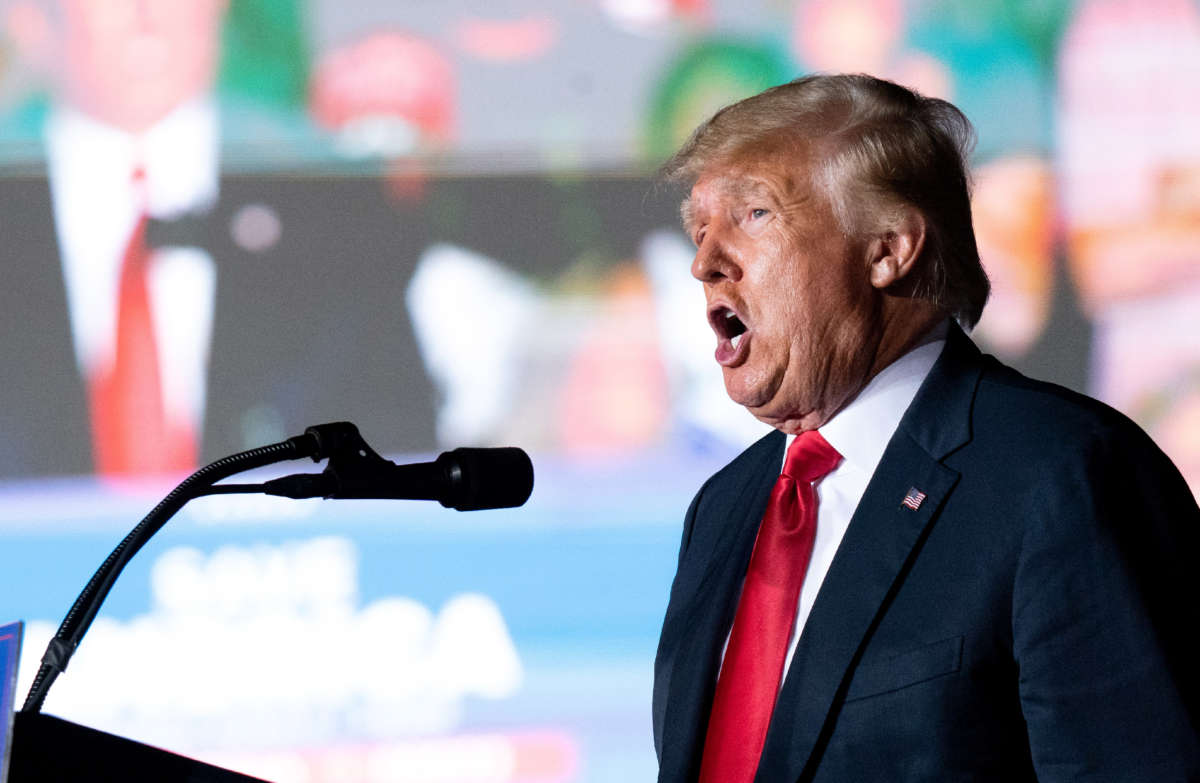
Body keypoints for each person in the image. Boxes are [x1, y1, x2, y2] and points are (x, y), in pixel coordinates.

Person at [652, 74, 1200, 782]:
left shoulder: (1063, 476)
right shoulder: (725, 507)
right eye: (699, 230)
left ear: (888, 249)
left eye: (753, 214)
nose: (704, 263)